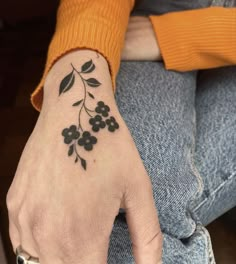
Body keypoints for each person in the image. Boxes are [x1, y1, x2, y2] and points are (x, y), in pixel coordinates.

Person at [6, 0, 236, 263]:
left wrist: (178, 35)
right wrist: (79, 53)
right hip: (153, 10)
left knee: (130, 222)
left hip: (166, 30)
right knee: (97, 207)